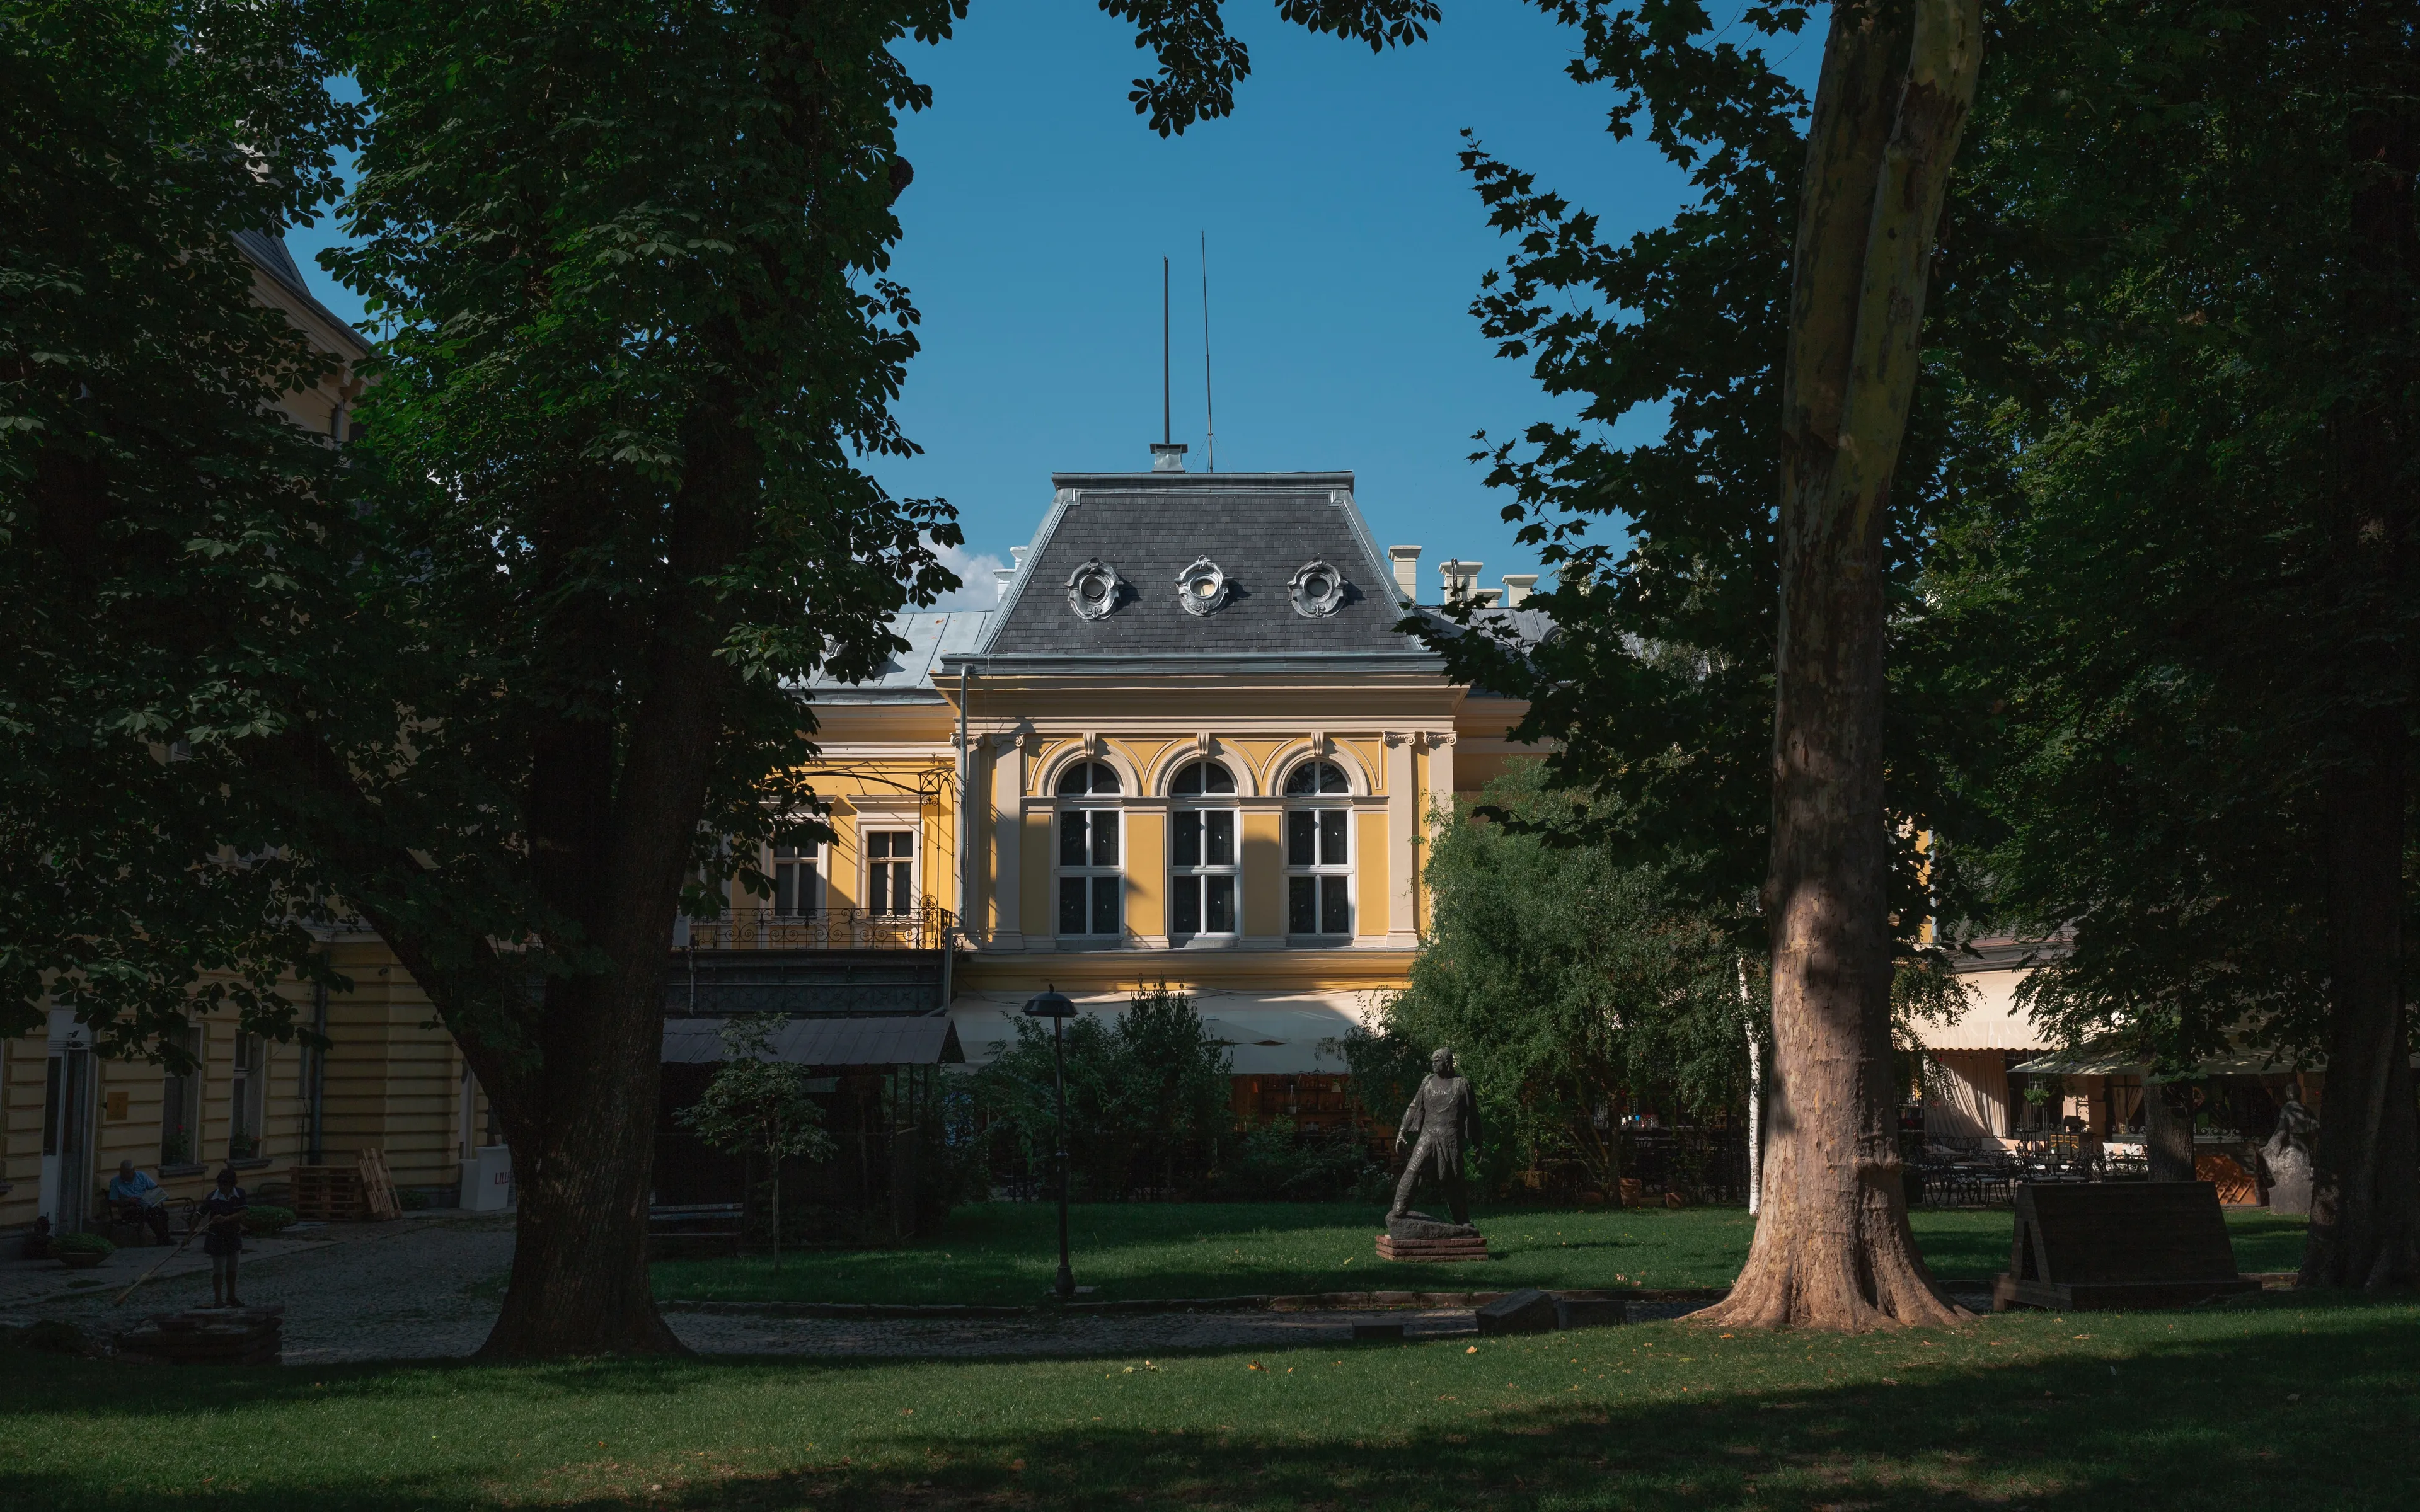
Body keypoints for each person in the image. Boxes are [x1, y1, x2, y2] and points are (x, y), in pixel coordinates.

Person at [1389, 1046, 1483, 1227]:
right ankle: (1399, 1210)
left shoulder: (1462, 1084)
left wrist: (1479, 1143)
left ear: (1447, 1063)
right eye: (1432, 1060)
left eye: (1437, 1061)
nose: (1433, 1064)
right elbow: (1413, 1106)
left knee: (1454, 1180)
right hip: (1428, 1137)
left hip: (1451, 1139)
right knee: (1413, 1170)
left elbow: (1473, 1115)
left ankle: (1462, 1221)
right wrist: (1402, 1131)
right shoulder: (1427, 1082)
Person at [195, 1166, 250, 1308]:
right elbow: (199, 1215)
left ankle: (231, 1297)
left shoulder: (240, 1194)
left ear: (233, 1184)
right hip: (217, 1237)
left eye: (225, 1185)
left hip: (234, 1235)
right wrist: (189, 1235)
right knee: (218, 1269)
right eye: (220, 1184)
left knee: (233, 1268)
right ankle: (218, 1300)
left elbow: (243, 1213)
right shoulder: (212, 1198)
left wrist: (226, 1219)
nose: (222, 1187)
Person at [107, 1159, 175, 1245]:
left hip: (145, 1205)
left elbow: (155, 1188)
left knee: (162, 1213)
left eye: (129, 1172)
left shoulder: (141, 1176)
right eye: (124, 1173)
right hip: (129, 1209)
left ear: (134, 1170)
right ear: (120, 1172)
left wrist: (153, 1197)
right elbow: (113, 1201)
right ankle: (163, 1239)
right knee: (150, 1215)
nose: (126, 1175)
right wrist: (127, 1201)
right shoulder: (115, 1182)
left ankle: (164, 1238)